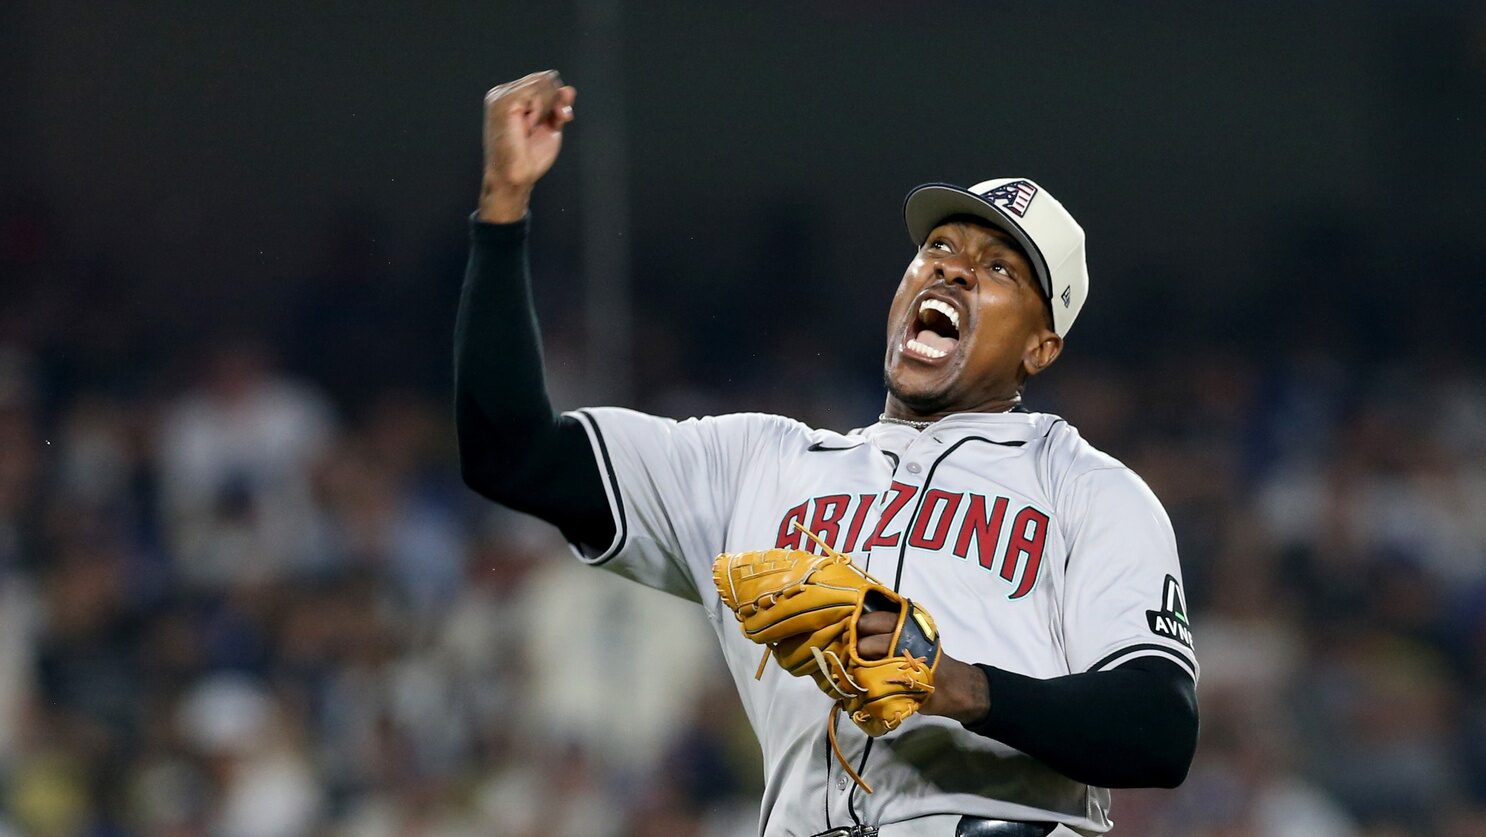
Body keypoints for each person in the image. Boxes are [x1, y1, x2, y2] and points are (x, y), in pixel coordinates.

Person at [455, 70, 1199, 837]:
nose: (951, 267)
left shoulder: (1087, 490)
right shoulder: (757, 464)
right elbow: (509, 452)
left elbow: (1159, 726)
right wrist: (502, 207)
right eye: (939, 246)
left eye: (999, 267)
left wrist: (956, 684)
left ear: (1041, 348)